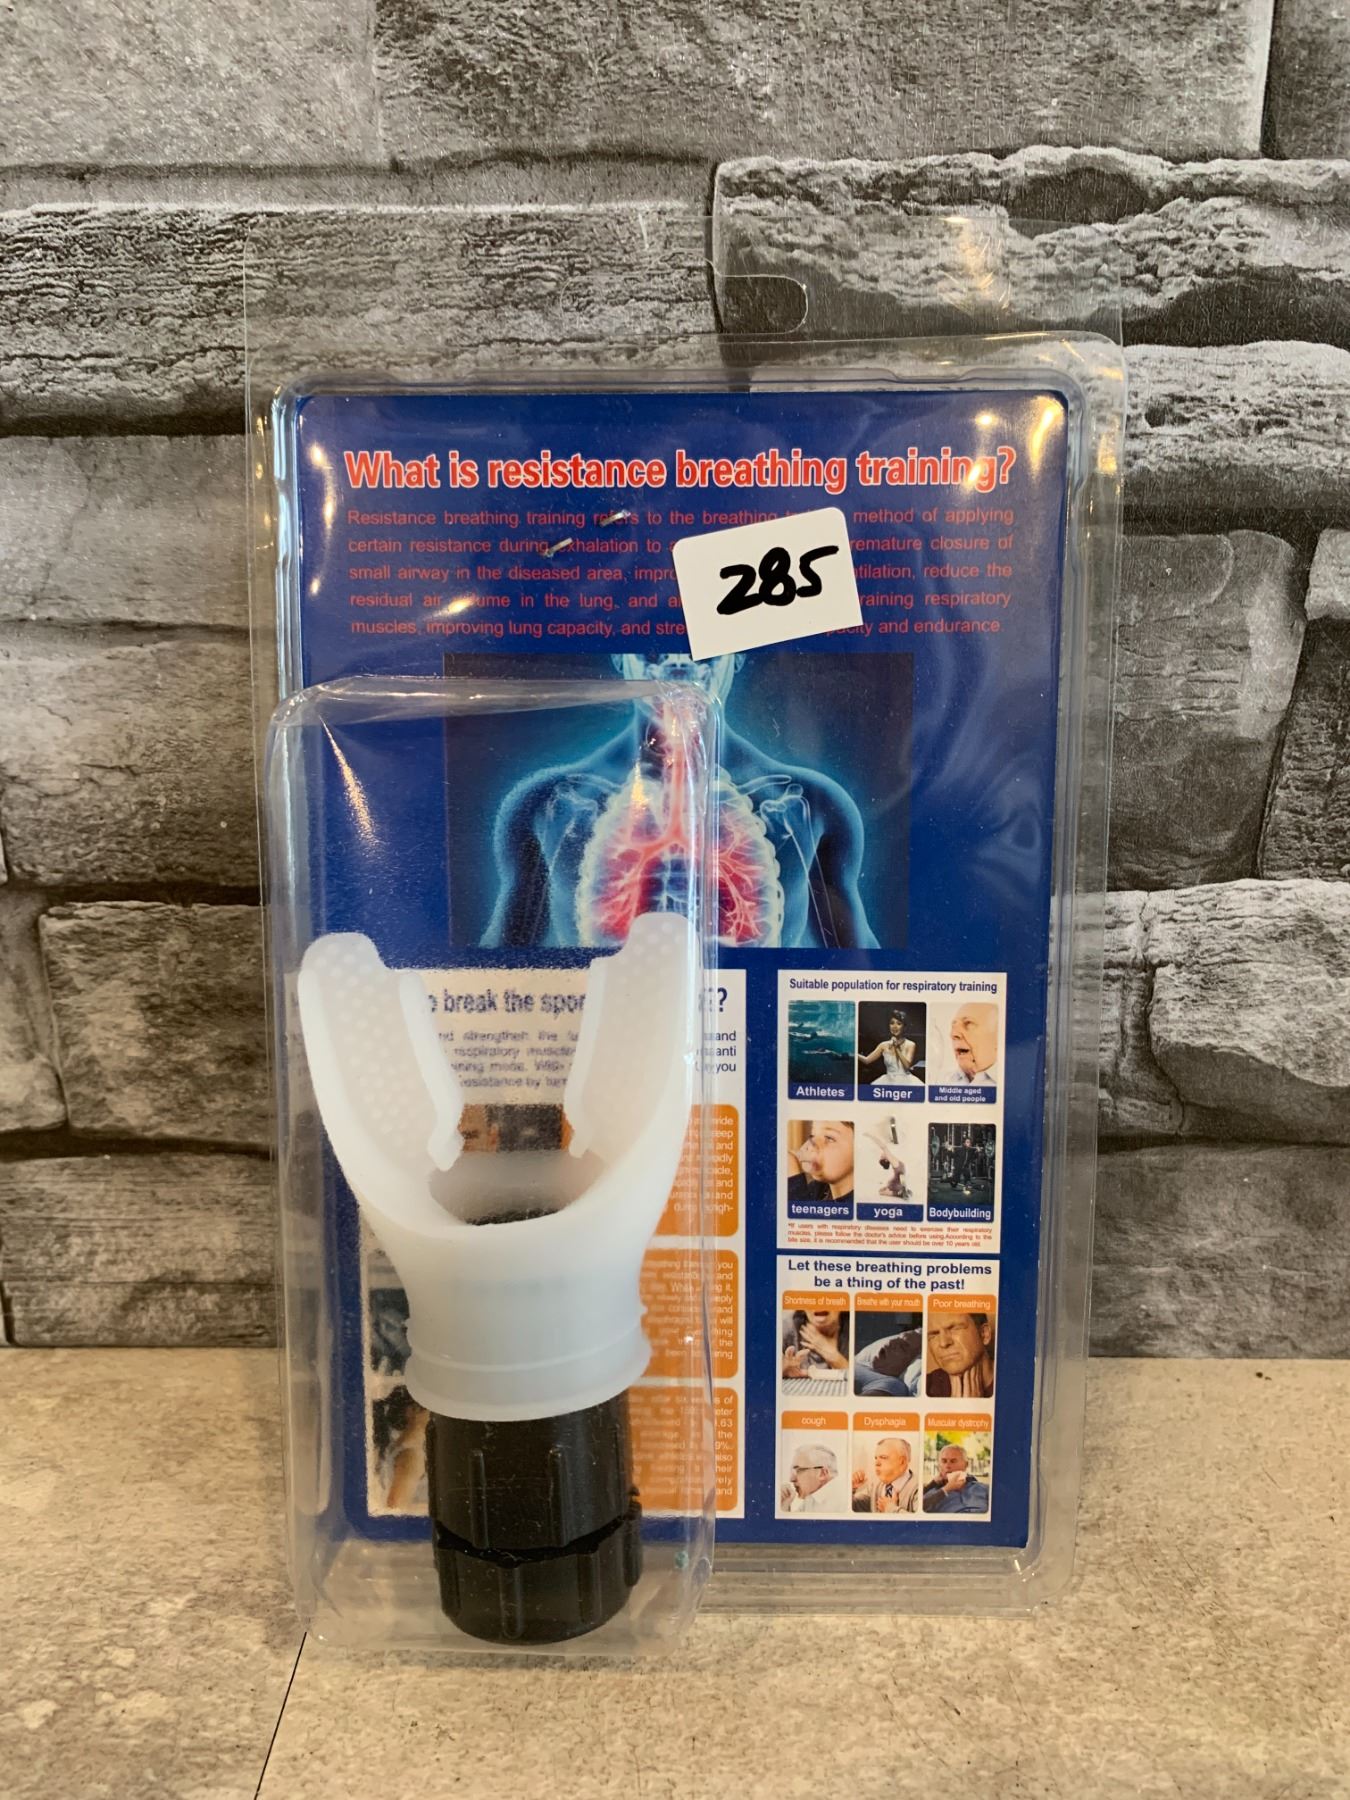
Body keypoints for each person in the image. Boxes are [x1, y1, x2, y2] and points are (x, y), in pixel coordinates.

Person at [484, 652, 878, 951]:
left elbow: (862, 968)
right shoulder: (543, 804)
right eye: (654, 648)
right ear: (620, 658)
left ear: (737, 657)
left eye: (702, 649)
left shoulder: (814, 804)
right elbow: (495, 966)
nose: (677, 663)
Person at [926, 1311, 996, 1399]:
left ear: (984, 1334)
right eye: (933, 1335)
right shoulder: (926, 1386)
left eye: (955, 1329)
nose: (943, 1343)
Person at [786, 1120, 854, 1210]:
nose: (810, 1146)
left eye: (829, 1138)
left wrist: (794, 1182)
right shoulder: (817, 1189)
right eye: (812, 1135)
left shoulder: (859, 1203)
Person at [853, 1322, 923, 1397]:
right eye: (898, 1338)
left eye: (902, 1347)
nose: (890, 1342)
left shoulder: (891, 1385)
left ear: (908, 1363)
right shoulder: (859, 1362)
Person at [851, 1437, 919, 1513]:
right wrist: (851, 1488)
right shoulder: (875, 1485)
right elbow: (853, 1506)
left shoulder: (918, 1489)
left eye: (883, 1457)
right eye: (876, 1458)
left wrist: (890, 1509)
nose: (877, 1463)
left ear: (902, 1462)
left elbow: (921, 1520)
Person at [782, 1307, 850, 1380]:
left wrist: (835, 1358)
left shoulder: (853, 1326)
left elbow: (858, 1380)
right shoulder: (787, 1327)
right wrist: (782, 1370)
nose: (820, 1304)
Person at [922, 1442, 990, 1514]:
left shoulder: (984, 1488)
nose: (947, 1466)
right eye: (944, 1461)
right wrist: (946, 1489)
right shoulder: (932, 1495)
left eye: (953, 1461)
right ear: (939, 1466)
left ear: (966, 1465)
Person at [858, 1011, 922, 1088]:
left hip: (906, 1081)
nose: (894, 1026)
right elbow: (867, 1060)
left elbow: (907, 1066)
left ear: (905, 1027)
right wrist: (853, 1053)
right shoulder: (883, 1045)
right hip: (887, 1080)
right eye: (892, 1023)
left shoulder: (910, 1044)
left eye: (899, 1024)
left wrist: (896, 1048)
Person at [780, 1443, 847, 1512]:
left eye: (799, 1470)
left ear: (822, 1474)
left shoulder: (844, 1503)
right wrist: (785, 1505)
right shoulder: (812, 1498)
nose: (791, 1479)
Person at [947, 1002, 999, 1087]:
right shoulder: (941, 1079)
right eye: (954, 1026)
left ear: (997, 1036)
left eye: (968, 1023)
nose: (953, 1034)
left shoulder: (1010, 1081)